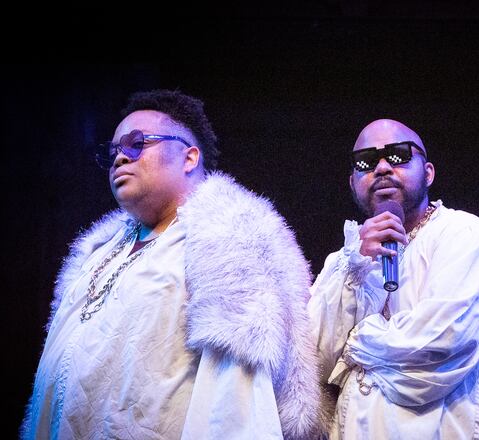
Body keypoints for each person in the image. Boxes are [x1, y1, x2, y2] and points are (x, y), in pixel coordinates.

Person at [21, 89, 325, 439]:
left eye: (137, 143)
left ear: (189, 158)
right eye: (114, 151)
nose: (121, 157)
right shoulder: (99, 251)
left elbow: (236, 398)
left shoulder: (228, 238)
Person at [308, 119, 479, 438]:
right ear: (352, 182)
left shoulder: (466, 235)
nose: (383, 167)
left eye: (399, 154)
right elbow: (313, 362)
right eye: (366, 161)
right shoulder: (344, 260)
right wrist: (358, 266)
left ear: (428, 172)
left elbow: (441, 347)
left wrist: (354, 343)